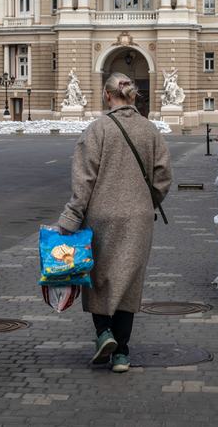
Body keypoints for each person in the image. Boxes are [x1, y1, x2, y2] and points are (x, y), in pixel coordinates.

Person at [56, 72, 172, 374]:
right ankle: (122, 353)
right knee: (128, 283)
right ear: (131, 95)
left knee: (99, 279)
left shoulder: (97, 130)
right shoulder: (150, 131)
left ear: (108, 96)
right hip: (138, 218)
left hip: (100, 215)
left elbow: (84, 181)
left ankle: (103, 334)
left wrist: (70, 219)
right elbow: (162, 177)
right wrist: (148, 201)